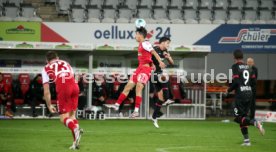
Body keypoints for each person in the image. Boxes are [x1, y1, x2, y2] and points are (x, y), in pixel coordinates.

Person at [112, 27, 166, 118]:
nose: (135, 36)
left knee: (139, 87)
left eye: (136, 34)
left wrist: (160, 61)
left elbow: (153, 52)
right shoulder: (141, 44)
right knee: (128, 86)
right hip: (139, 68)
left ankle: (136, 111)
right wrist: (152, 62)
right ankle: (117, 105)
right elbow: (148, 56)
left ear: (140, 35)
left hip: (145, 70)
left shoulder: (146, 43)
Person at [42, 51, 83, 150]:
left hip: (63, 87)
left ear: (47, 61)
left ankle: (75, 129)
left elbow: (46, 91)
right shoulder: (66, 63)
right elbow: (74, 77)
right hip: (75, 86)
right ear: (58, 57)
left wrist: (49, 105)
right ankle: (75, 143)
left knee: (63, 118)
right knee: (72, 116)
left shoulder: (46, 68)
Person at [227, 49, 264, 146]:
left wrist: (228, 90)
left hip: (241, 95)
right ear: (242, 57)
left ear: (234, 57)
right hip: (249, 93)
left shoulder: (235, 66)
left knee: (237, 117)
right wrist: (247, 88)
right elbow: (254, 82)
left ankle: (255, 122)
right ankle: (247, 141)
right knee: (243, 117)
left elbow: (235, 82)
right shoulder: (249, 67)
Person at [151, 37, 175, 128]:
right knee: (164, 77)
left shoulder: (166, 51)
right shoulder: (154, 49)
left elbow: (172, 63)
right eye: (167, 43)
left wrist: (168, 58)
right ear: (162, 43)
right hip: (152, 74)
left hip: (158, 75)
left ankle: (154, 117)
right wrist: (152, 64)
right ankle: (168, 98)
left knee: (160, 98)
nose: (168, 45)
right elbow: (147, 58)